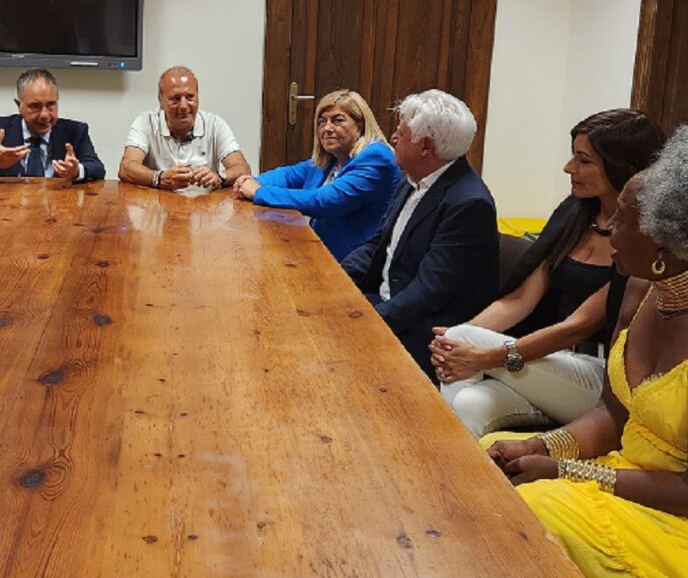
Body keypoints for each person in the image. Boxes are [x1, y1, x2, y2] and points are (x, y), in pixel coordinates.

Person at [487, 119, 688, 577]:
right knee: (487, 456)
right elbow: (612, 415)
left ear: (666, 236)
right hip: (622, 477)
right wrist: (544, 447)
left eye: (622, 221)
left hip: (681, 521)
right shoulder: (640, 288)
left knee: (536, 509)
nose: (610, 236)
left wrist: (569, 473)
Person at [431, 110, 666, 436]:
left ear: (624, 168)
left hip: (604, 380)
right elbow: (521, 299)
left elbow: (578, 326)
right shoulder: (575, 212)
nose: (569, 167)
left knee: (458, 339)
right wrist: (459, 341)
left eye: (584, 161)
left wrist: (481, 354)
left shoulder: (644, 235)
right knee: (469, 401)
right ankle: (458, 480)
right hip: (553, 363)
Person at [340, 89, 498, 382]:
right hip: (388, 301)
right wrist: (335, 279)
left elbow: (428, 291)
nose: (393, 138)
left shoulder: (468, 203)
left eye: (401, 133)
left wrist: (369, 321)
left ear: (426, 147)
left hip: (425, 328)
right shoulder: (413, 179)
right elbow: (379, 245)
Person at [232, 89, 400, 261]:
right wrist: (250, 181)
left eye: (338, 120)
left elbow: (325, 201)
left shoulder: (376, 157)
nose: (327, 128)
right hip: (317, 249)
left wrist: (259, 192)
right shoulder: (333, 158)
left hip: (352, 263)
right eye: (321, 122)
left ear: (360, 125)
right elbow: (289, 175)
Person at [0, 68, 105, 182]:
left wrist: (76, 171)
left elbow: (98, 169)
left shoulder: (75, 131)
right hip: (7, 209)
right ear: (19, 105)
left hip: (59, 208)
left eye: (51, 105)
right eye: (35, 106)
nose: (44, 115)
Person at [118, 66, 251, 192]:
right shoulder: (145, 122)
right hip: (158, 206)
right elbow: (126, 167)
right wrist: (158, 178)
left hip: (205, 207)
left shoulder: (215, 124)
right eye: (175, 99)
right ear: (160, 101)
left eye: (190, 97)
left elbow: (242, 168)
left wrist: (220, 177)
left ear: (198, 98)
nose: (183, 106)